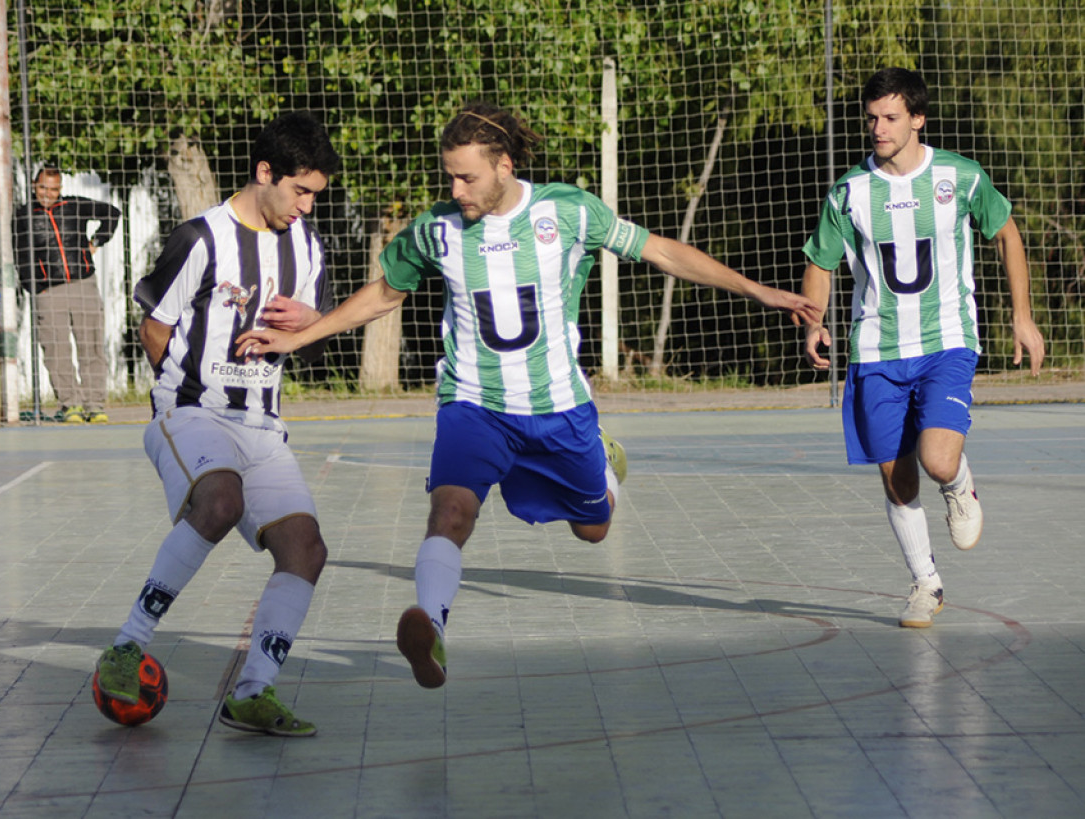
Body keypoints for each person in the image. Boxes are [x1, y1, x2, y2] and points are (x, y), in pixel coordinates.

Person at [236, 102, 822, 689]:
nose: (456, 188)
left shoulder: (566, 211)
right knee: (450, 511)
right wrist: (301, 336)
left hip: (557, 411)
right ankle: (432, 627)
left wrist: (757, 290)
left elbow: (662, 251)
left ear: (504, 166)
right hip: (473, 404)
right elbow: (384, 294)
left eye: (468, 177)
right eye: (449, 176)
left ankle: (607, 467)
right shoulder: (436, 230)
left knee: (592, 529)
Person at [93, 111, 340, 736]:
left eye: (316, 194)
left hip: (263, 427)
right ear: (265, 172)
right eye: (300, 190)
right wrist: (180, 393)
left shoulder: (308, 248)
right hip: (192, 411)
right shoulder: (200, 239)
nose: (307, 206)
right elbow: (154, 326)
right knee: (220, 500)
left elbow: (309, 342)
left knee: (306, 550)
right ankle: (127, 645)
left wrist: (307, 325)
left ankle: (253, 693)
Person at [800, 67, 1045, 628]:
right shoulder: (850, 192)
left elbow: (1006, 234)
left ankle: (960, 487)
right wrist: (813, 323)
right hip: (876, 350)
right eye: (871, 118)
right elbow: (820, 261)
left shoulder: (959, 177)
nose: (878, 128)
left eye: (890, 118)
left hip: (946, 341)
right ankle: (925, 584)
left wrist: (1021, 316)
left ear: (917, 119)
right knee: (897, 478)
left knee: (937, 461)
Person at [15, 165, 121, 423]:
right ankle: (70, 404)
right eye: (43, 188)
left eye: (54, 189)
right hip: (48, 292)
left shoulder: (74, 205)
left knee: (91, 346)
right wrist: (35, 286)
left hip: (84, 285)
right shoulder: (22, 216)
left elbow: (111, 213)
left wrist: (96, 242)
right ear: (33, 185)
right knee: (56, 350)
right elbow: (19, 256)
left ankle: (94, 405)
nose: (48, 194)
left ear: (60, 189)